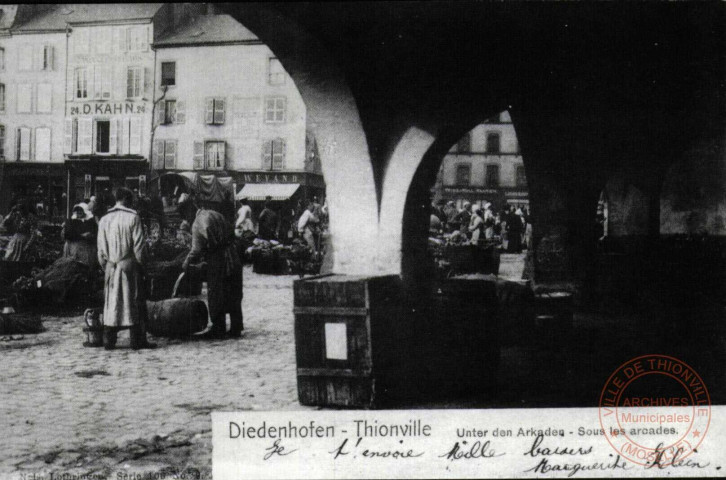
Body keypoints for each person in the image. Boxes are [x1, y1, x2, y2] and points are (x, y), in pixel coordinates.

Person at [97, 187, 155, 350]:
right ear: (127, 200)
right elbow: (139, 248)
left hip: (111, 266)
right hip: (129, 266)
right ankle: (137, 340)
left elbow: (100, 251)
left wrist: (107, 267)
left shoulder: (104, 219)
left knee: (112, 304)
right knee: (133, 303)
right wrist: (142, 267)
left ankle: (109, 340)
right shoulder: (133, 217)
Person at [183, 199, 243, 339]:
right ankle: (236, 326)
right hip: (232, 254)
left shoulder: (197, 223)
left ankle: (219, 327)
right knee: (233, 290)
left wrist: (186, 262)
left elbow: (196, 250)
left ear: (189, 212)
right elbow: (231, 232)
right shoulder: (214, 213)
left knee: (216, 291)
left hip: (217, 259)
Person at [62, 202, 98, 268]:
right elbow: (67, 234)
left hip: (87, 248)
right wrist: (81, 236)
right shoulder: (71, 221)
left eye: (81, 210)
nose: (79, 212)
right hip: (74, 247)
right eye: (77, 211)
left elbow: (96, 233)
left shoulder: (90, 221)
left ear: (85, 211)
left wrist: (91, 235)